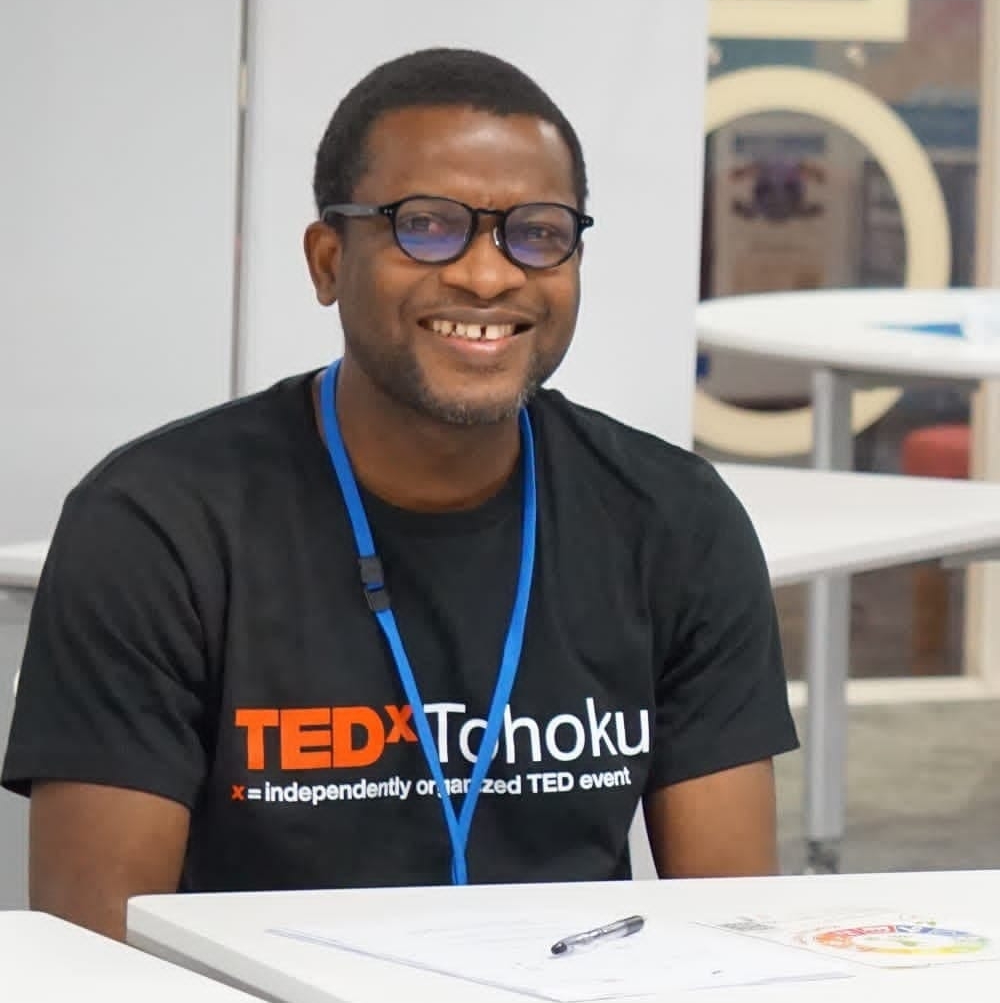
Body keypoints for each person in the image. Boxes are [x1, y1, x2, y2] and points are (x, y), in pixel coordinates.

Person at [2, 47, 798, 941]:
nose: (488, 275)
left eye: (536, 231)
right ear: (328, 260)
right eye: (427, 225)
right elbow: (93, 960)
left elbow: (735, 937)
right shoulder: (155, 529)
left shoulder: (674, 521)